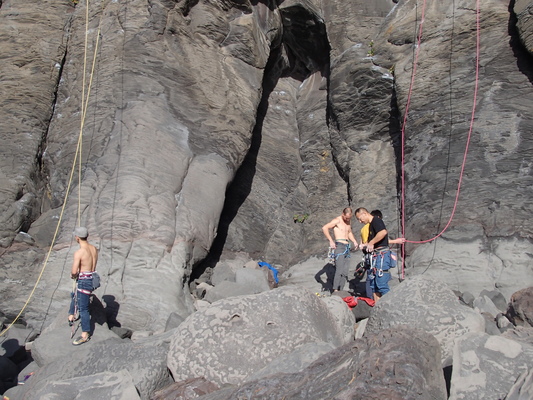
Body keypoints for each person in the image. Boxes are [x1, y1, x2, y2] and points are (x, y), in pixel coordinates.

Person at [355, 208, 396, 301]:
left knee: (381, 284)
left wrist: (371, 243)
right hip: (375, 256)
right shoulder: (370, 226)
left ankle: (390, 304)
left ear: (365, 213)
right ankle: (377, 307)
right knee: (373, 285)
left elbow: (383, 232)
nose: (360, 221)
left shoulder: (376, 220)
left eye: (360, 218)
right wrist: (365, 245)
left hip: (382, 255)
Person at [68, 226, 98, 345]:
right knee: (76, 295)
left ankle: (85, 334)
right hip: (92, 278)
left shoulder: (79, 252)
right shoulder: (94, 249)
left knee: (83, 309)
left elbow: (74, 271)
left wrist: (73, 275)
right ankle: (71, 314)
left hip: (84, 280)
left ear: (77, 238)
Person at [322, 207, 359, 292]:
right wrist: (331, 241)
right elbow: (324, 228)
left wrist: (354, 241)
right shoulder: (337, 220)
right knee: (339, 269)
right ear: (343, 214)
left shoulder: (348, 221)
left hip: (347, 246)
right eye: (346, 218)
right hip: (339, 246)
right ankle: (335, 290)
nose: (347, 219)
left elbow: (349, 232)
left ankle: (341, 290)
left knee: (345, 271)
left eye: (349, 218)